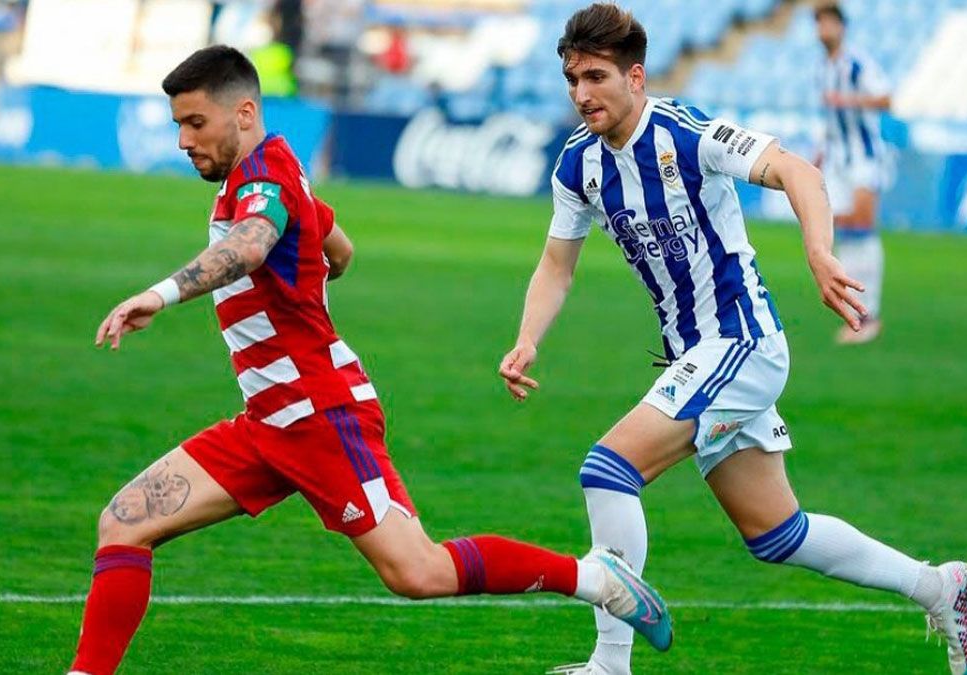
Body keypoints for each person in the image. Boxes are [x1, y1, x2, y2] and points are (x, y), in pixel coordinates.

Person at [68, 44, 670, 675]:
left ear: (243, 113)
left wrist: (160, 295)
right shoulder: (273, 167)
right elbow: (337, 242)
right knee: (125, 521)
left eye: (196, 123)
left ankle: (594, 577)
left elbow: (252, 244)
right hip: (269, 422)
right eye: (178, 126)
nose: (184, 140)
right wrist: (323, 263)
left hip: (320, 416)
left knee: (418, 571)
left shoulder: (265, 183)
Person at [497, 5, 967, 674]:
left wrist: (818, 249)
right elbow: (557, 264)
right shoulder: (578, 165)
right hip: (700, 358)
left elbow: (798, 172)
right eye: (572, 78)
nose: (582, 94)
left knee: (607, 469)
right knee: (778, 533)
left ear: (635, 77)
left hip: (740, 343)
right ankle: (938, 585)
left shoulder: (687, 132)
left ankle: (609, 664)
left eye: (596, 77)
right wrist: (527, 340)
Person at [814, 3, 891, 344]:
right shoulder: (823, 68)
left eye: (828, 23)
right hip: (837, 159)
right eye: (818, 24)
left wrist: (849, 100)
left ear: (841, 27)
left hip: (863, 156)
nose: (822, 30)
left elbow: (885, 99)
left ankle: (870, 314)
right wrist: (820, 154)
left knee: (861, 223)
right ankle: (856, 315)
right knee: (843, 235)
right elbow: (829, 123)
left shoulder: (856, 63)